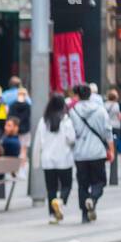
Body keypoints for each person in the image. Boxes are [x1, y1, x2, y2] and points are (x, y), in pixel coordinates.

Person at [69, 83, 113, 222]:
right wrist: (111, 149)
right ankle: (93, 199)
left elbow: (71, 133)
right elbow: (107, 131)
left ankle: (84, 215)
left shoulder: (73, 111)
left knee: (83, 184)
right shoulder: (100, 110)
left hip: (80, 154)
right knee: (99, 181)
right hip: (97, 153)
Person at [33, 94, 76, 223]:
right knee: (66, 185)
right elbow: (72, 139)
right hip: (64, 159)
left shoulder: (43, 121)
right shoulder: (66, 120)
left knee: (51, 188)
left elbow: (38, 142)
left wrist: (35, 161)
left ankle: (52, 215)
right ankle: (61, 202)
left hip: (48, 160)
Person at [8, 86, 33, 165]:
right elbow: (28, 117)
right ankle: (23, 165)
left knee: (15, 149)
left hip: (15, 130)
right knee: (24, 149)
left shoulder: (12, 105)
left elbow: (10, 117)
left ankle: (15, 166)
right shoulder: (28, 106)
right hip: (25, 130)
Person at [106, 87, 121, 185]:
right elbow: (119, 117)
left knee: (107, 150)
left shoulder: (104, 105)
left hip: (107, 128)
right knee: (114, 151)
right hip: (116, 128)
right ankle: (113, 179)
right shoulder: (116, 105)